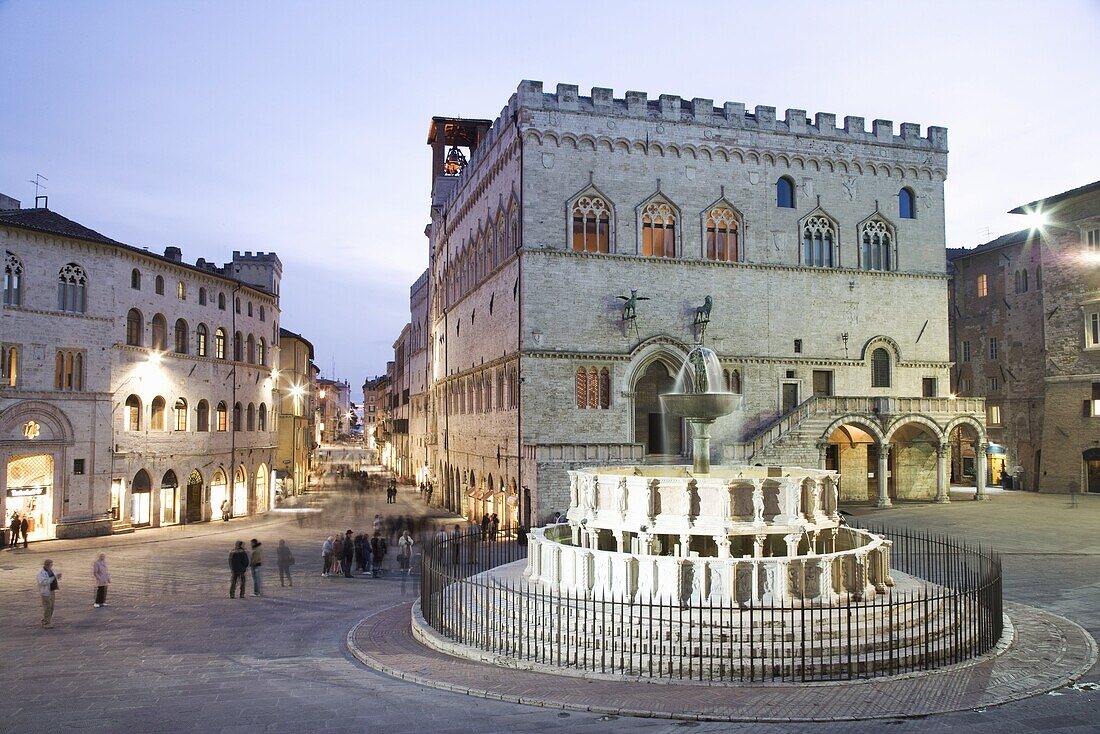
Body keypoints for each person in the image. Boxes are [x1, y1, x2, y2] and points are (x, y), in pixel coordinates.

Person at [37, 559, 61, 628]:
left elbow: (54, 576)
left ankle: (47, 620)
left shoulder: (51, 570)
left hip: (52, 590)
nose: (52, 565)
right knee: (47, 607)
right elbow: (43, 582)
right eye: (51, 564)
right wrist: (53, 578)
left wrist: (57, 576)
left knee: (51, 607)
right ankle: (46, 622)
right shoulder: (41, 573)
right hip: (45, 592)